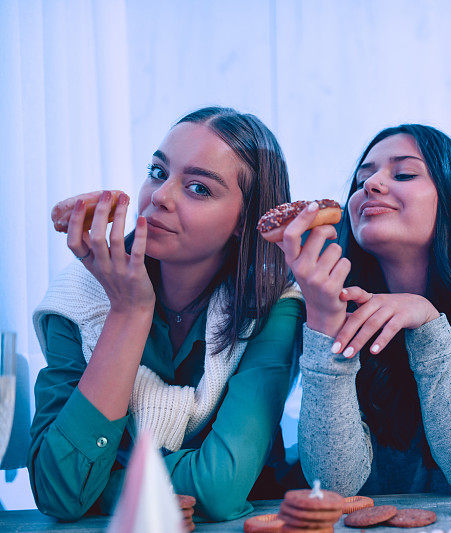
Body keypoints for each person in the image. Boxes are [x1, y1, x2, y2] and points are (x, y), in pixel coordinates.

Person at [29, 107, 303, 521]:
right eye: (158, 172)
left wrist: (103, 482)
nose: (160, 195)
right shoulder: (77, 298)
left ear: (245, 222)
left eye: (197, 188)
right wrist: (128, 312)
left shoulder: (272, 306)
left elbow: (219, 488)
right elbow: (57, 489)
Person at [272, 125, 451, 496]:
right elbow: (332, 485)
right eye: (363, 179)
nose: (371, 184)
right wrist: (325, 326)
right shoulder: (328, 303)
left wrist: (427, 323)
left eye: (405, 173)